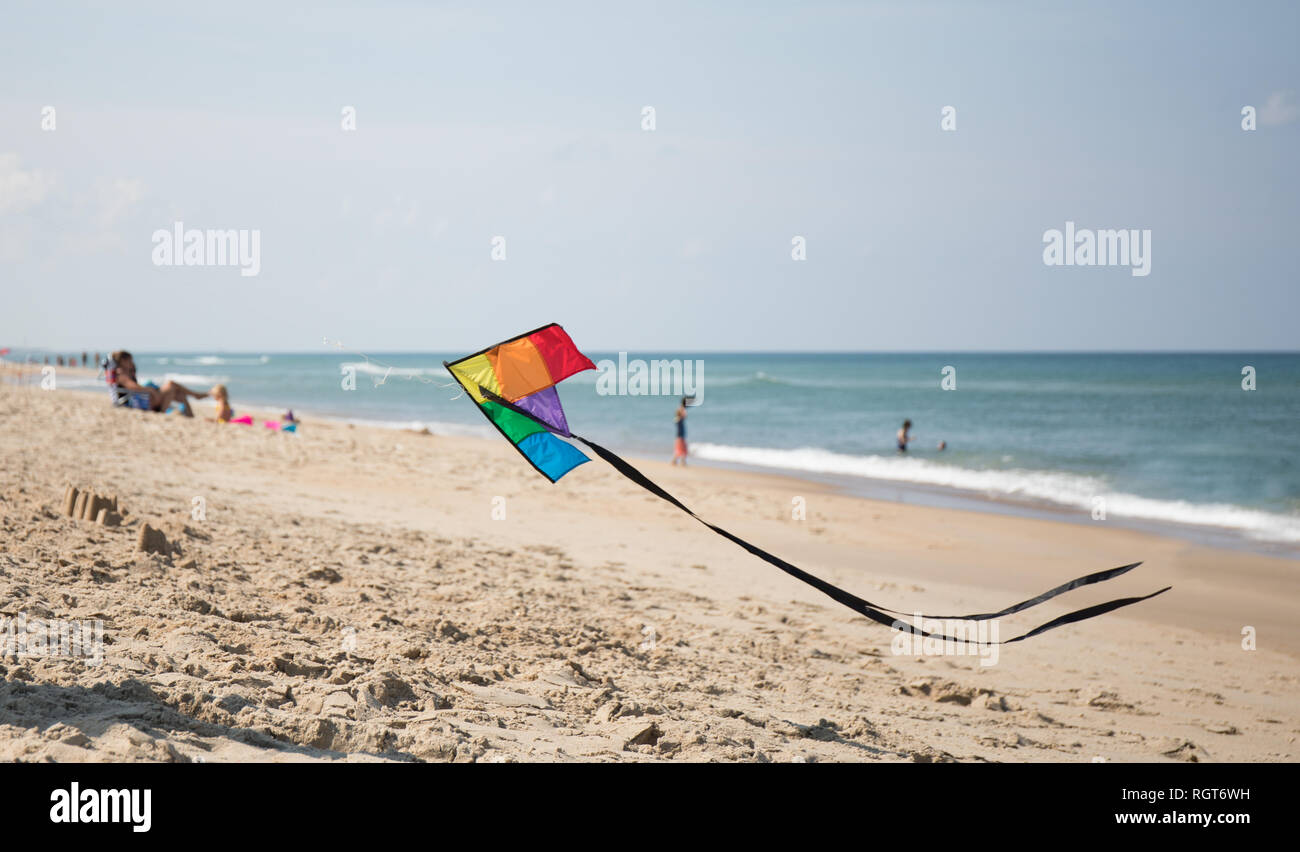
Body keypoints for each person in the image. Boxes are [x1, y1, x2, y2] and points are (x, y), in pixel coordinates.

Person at [109, 350, 208, 415]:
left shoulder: (125, 372)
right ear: (123, 361)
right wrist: (151, 390)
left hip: (142, 400)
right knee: (171, 384)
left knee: (180, 395)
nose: (131, 363)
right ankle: (195, 395)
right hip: (139, 403)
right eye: (130, 361)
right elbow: (135, 387)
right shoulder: (120, 374)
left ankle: (191, 416)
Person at [672, 398, 689, 466]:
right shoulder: (678, 419)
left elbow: (684, 415)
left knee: (681, 449)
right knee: (681, 449)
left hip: (680, 435)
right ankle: (679, 461)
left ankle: (679, 461)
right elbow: (684, 415)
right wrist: (683, 408)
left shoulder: (677, 419)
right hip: (680, 435)